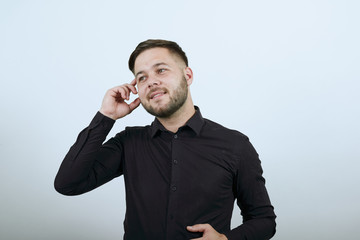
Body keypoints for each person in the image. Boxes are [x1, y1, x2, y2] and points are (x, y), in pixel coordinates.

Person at [54, 39, 276, 240]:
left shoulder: (235, 145)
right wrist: (106, 116)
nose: (151, 82)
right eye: (142, 77)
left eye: (161, 70)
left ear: (187, 76)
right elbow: (67, 184)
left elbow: (264, 220)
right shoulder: (129, 142)